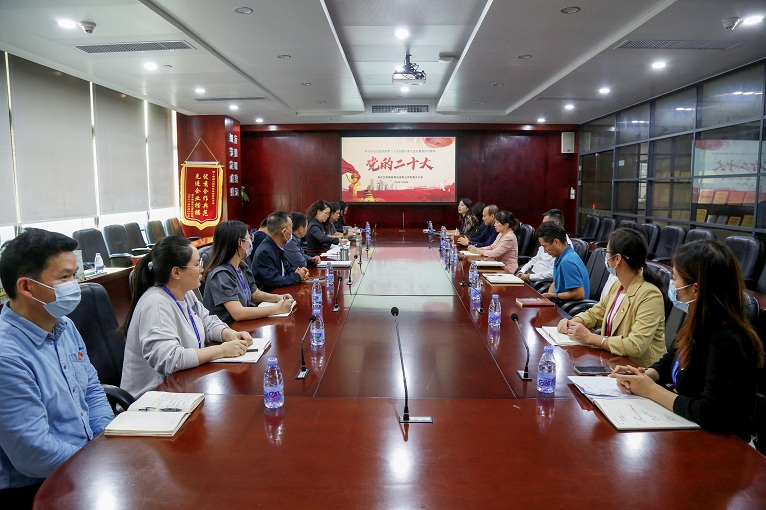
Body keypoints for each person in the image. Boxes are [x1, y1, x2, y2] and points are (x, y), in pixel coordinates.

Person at [0, 229, 114, 507]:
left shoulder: (64, 325)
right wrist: (98, 462)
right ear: (26, 287)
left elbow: (92, 390)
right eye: (64, 278)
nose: (75, 285)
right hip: (37, 485)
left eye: (75, 275)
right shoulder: (6, 355)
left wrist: (108, 442)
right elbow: (33, 452)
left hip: (85, 462)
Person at [612, 239, 765, 441]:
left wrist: (650, 390)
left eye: (675, 278)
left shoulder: (728, 339)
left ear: (695, 289)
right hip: (688, 428)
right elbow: (672, 359)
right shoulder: (699, 318)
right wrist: (644, 376)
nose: (672, 285)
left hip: (722, 443)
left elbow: (710, 412)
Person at [121, 235, 253, 397]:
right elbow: (170, 359)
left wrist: (229, 334)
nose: (202, 269)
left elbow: (208, 322)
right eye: (197, 264)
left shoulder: (185, 293)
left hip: (183, 384)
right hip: (153, 396)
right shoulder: (156, 304)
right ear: (176, 272)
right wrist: (222, 350)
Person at [556, 228, 666, 367]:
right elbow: (596, 313)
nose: (605, 257)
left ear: (617, 259)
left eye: (606, 253)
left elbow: (635, 346)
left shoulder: (650, 295)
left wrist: (590, 338)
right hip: (612, 361)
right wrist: (573, 322)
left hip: (638, 369)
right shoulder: (618, 285)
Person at [203, 220, 295, 324]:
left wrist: (278, 298)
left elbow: (254, 294)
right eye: (249, 238)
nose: (251, 242)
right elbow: (238, 313)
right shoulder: (221, 274)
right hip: (229, 329)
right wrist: (277, 309)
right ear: (240, 243)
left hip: (244, 324)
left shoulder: (242, 266)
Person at [253, 212, 310, 292]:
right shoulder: (265, 252)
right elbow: (274, 281)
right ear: (284, 232)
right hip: (271, 295)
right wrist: (297, 276)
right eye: (291, 229)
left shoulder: (276, 246)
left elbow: (287, 268)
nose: (292, 232)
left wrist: (299, 271)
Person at [536, 221, 589, 304]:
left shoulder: (567, 262)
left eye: (545, 246)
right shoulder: (560, 256)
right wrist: (547, 300)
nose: (545, 251)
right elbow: (555, 282)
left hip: (569, 308)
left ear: (556, 242)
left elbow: (579, 294)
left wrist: (555, 296)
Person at [516, 209, 568, 284]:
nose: (542, 227)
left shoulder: (562, 247)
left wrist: (529, 277)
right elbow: (535, 259)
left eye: (545, 224)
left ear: (556, 224)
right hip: (531, 275)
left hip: (540, 282)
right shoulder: (547, 240)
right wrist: (522, 271)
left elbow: (553, 274)